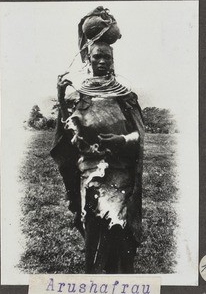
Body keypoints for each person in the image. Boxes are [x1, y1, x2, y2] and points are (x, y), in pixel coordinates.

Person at [50, 41, 144, 273]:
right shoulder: (77, 97)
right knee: (94, 234)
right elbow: (69, 135)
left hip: (120, 178)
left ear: (113, 61)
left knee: (119, 234)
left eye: (107, 58)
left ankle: (121, 280)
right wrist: (61, 99)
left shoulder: (126, 98)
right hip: (90, 177)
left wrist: (121, 141)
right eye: (96, 57)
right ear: (88, 60)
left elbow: (139, 136)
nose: (101, 61)